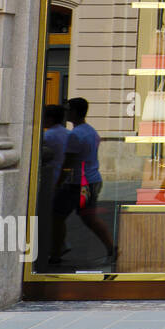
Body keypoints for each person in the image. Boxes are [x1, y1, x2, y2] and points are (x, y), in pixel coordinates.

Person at [55, 97, 116, 266]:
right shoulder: (90, 131)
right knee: (85, 217)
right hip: (90, 179)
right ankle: (110, 248)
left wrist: (58, 181)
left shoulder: (76, 134)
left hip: (80, 183)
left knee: (58, 215)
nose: (66, 113)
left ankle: (57, 250)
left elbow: (69, 163)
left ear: (74, 112)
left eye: (68, 110)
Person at [38, 104, 70, 266]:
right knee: (57, 217)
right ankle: (60, 245)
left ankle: (52, 248)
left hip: (50, 179)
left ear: (49, 118)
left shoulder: (47, 136)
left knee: (50, 216)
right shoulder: (67, 133)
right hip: (61, 178)